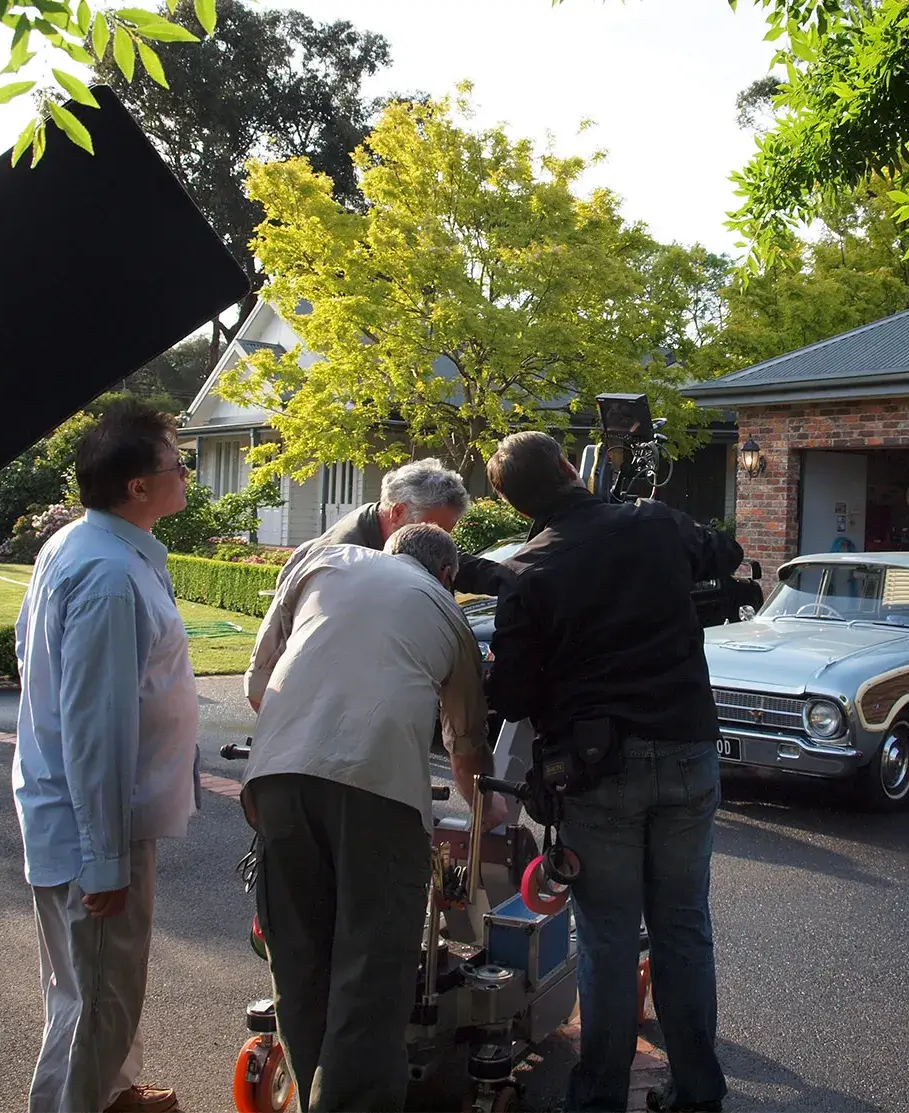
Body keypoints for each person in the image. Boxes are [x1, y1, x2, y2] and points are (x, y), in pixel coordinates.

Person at [482, 431, 742, 1113]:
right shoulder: (653, 522)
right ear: (571, 467)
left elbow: (509, 696)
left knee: (608, 935)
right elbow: (727, 552)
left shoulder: (525, 570)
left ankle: (598, 1095)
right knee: (684, 926)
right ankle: (697, 1092)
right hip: (688, 751)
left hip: (596, 774)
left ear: (514, 505)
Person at [241, 523, 505, 1112]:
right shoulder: (450, 615)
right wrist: (491, 812)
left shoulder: (320, 561)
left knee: (299, 955)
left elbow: (259, 684)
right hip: (379, 791)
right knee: (371, 966)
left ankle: (314, 1094)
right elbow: (465, 745)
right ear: (447, 576)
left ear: (388, 551)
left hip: (276, 779)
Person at [12, 400, 200, 1113]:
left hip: (86, 814)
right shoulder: (109, 575)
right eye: (174, 463)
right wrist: (104, 860)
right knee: (100, 1000)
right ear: (136, 489)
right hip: (95, 821)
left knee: (91, 984)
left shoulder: (89, 548)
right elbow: (97, 727)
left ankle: (115, 1094)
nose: (184, 471)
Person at [266, 456, 512, 612]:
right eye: (432, 529)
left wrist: (509, 577)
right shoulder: (345, 559)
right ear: (397, 511)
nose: (439, 540)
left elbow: (445, 562)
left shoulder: (402, 536)